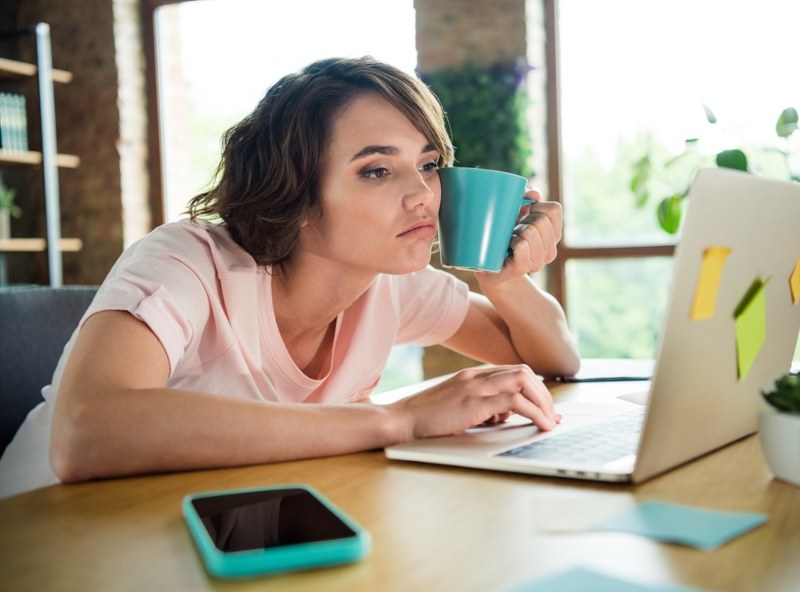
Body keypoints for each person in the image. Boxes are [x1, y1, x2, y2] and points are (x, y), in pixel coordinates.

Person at [0, 56, 579, 498]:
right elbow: (84, 434)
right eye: (376, 170)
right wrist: (397, 419)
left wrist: (502, 279)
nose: (422, 195)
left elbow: (551, 360)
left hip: (199, 527)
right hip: (45, 536)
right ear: (296, 193)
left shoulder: (387, 279)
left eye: (427, 165)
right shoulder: (188, 261)